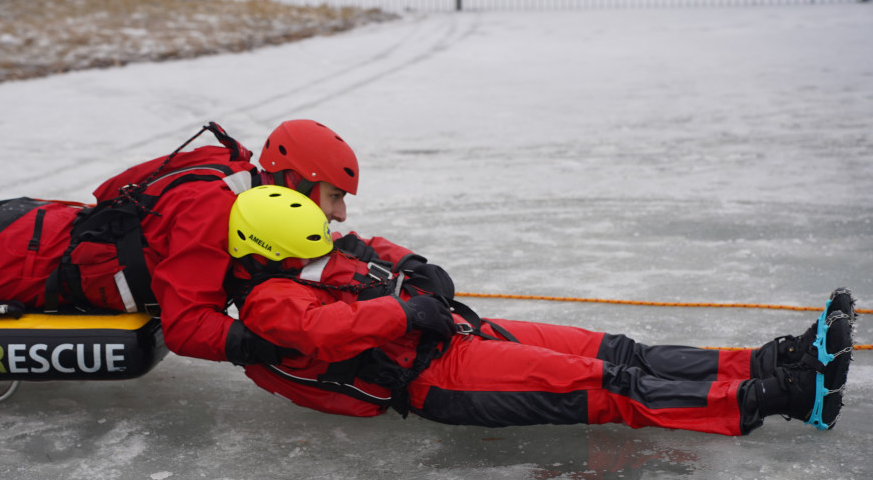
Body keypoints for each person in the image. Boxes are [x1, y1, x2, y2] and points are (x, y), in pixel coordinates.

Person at [224, 185, 855, 435]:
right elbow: (322, 329)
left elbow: (358, 249)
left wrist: (417, 270)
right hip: (437, 379)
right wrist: (408, 315)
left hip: (461, 335)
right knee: (611, 387)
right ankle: (788, 397)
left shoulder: (296, 253)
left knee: (616, 352)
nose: (329, 232)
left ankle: (777, 359)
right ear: (268, 249)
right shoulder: (266, 305)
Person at [0, 120, 429, 366]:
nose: (338, 213)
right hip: (11, 261)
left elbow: (317, 251)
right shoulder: (214, 210)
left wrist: (392, 263)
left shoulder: (239, 179)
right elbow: (187, 326)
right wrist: (270, 347)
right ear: (296, 181)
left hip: (30, 227)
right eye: (331, 197)